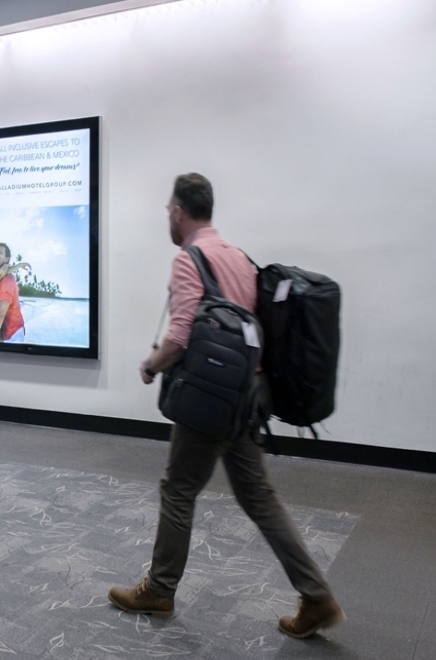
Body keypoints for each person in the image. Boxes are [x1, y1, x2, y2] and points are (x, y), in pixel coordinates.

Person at [107, 173, 345, 639]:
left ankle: (158, 589)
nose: (168, 219)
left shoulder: (188, 259)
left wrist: (151, 365)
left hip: (212, 400)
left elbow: (179, 337)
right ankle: (316, 596)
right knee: (258, 497)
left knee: (178, 488)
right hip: (250, 396)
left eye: (167, 211)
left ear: (179, 211)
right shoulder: (238, 257)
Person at [0, 242, 29, 342]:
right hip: (4, 333)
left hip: (13, 335)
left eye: (0, 252)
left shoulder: (7, 280)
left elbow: (1, 314)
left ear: (7, 259)